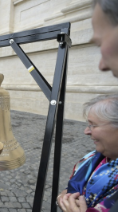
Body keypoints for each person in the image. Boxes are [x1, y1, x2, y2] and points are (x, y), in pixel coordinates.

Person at [57, 0, 118, 211]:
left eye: (100, 43)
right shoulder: (94, 158)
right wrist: (67, 197)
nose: (101, 65)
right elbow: (72, 190)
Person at [57, 94, 118, 211]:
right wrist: (63, 197)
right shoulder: (91, 158)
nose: (86, 131)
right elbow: (72, 188)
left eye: (93, 125)